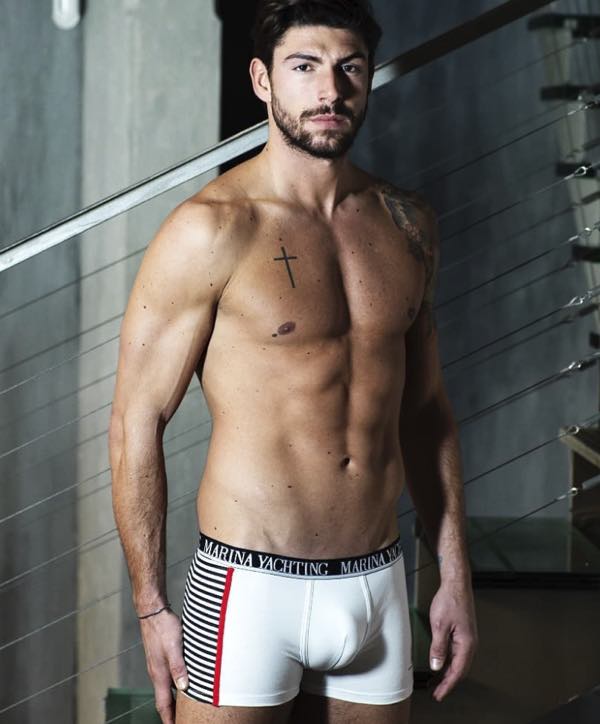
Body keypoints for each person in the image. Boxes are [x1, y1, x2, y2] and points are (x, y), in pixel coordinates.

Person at [109, 1, 478, 722]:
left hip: (375, 582)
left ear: (368, 78)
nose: (329, 91)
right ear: (262, 80)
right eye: (304, 67)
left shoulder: (407, 224)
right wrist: (150, 605)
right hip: (247, 587)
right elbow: (135, 422)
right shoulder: (210, 230)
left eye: (349, 68)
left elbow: (427, 413)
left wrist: (454, 569)